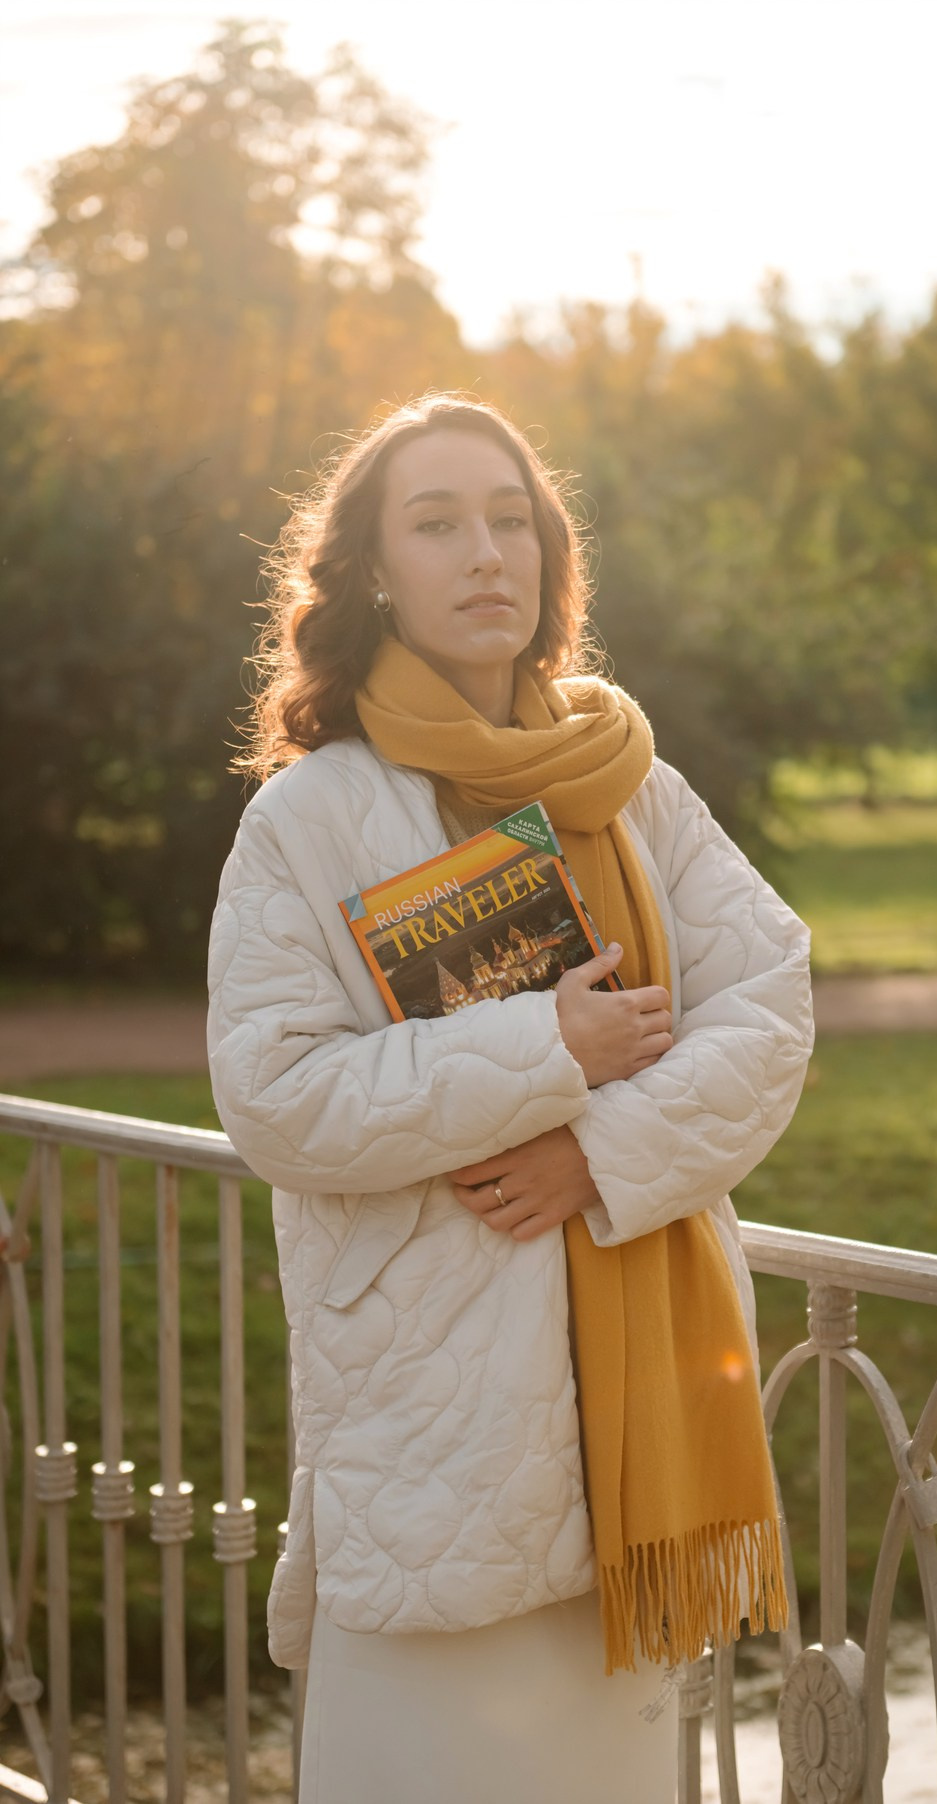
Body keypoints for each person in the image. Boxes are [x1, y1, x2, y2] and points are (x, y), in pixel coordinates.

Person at [207, 394, 814, 1804]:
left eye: (510, 518)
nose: (486, 552)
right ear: (371, 571)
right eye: (437, 524)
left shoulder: (631, 784)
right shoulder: (306, 820)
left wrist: (599, 1155)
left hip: (631, 1447)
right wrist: (548, 1050)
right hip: (433, 1446)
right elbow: (278, 1099)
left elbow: (772, 998)